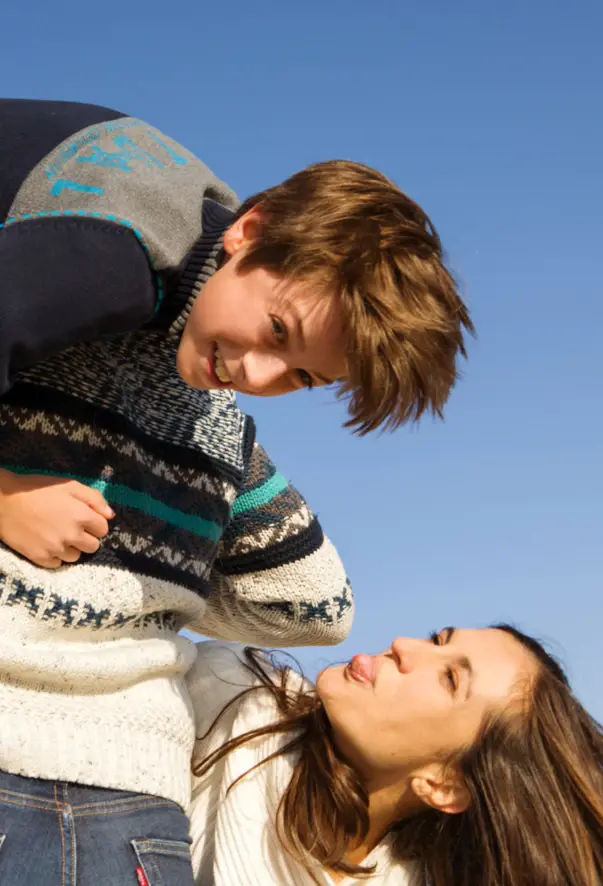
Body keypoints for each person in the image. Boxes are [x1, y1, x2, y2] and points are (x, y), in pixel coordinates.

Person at [0, 97, 472, 883]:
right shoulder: (108, 261)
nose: (254, 377)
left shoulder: (203, 283)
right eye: (278, 333)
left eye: (300, 376)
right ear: (247, 233)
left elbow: (318, 605)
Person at [187, 627, 603, 885]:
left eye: (450, 678)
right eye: (438, 640)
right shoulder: (228, 695)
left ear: (444, 784)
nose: (403, 645)